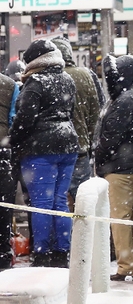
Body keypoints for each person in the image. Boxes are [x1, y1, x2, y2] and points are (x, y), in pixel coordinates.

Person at [9, 40, 80, 268]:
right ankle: (62, 252)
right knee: (60, 200)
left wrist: (14, 141)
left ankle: (41, 254)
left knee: (41, 203)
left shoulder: (36, 82)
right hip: (68, 145)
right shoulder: (67, 79)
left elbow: (24, 120)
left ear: (34, 61)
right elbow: (72, 111)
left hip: (41, 149)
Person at [94, 55, 133, 281]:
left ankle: (125, 266)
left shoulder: (123, 101)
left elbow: (111, 139)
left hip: (122, 169)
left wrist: (100, 161)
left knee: (120, 218)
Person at [51, 38, 103, 211]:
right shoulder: (85, 75)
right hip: (80, 150)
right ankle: (88, 237)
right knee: (85, 203)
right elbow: (95, 114)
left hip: (51, 152)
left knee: (56, 203)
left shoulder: (47, 77)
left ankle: (61, 237)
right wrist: (88, 142)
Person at [0, 70, 18, 270]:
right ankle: (3, 254)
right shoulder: (9, 85)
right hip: (2, 151)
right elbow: (14, 118)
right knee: (3, 207)